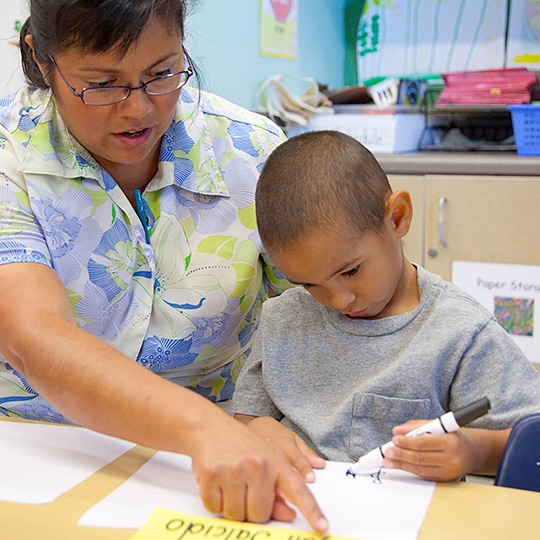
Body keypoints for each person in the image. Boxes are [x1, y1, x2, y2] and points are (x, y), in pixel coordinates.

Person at [0, 0, 328, 531]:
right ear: (41, 60)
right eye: (102, 83)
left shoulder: (252, 154)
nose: (139, 110)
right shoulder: (8, 156)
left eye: (162, 74)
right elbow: (33, 336)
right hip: (36, 456)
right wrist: (202, 426)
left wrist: (267, 415)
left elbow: (332, 307)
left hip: (218, 465)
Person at [232, 130, 540, 482]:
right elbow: (248, 417)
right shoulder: (283, 318)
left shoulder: (461, 331)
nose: (339, 300)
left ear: (397, 217)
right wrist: (259, 432)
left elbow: (530, 440)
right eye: (310, 284)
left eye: (350, 271)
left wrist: (472, 450)